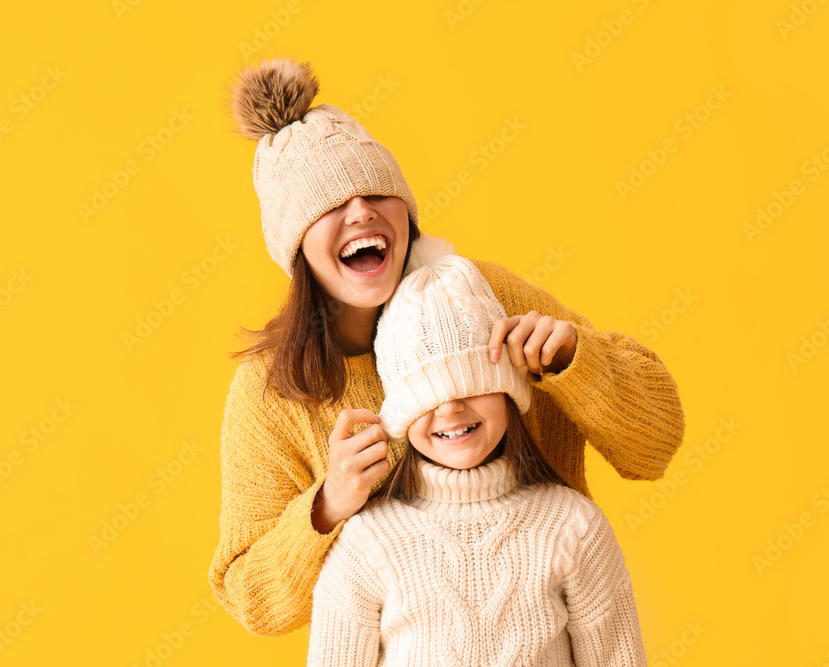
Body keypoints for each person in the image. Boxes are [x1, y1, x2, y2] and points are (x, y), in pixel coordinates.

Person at [209, 56, 685, 637]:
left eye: (377, 192)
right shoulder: (270, 395)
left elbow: (656, 446)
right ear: (295, 245)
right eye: (330, 203)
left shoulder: (484, 297)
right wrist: (328, 503)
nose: (360, 210)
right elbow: (253, 603)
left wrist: (578, 362)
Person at [307, 253, 647, 666]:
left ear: (506, 391)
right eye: (427, 397)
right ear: (401, 415)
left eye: (472, 385)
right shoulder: (367, 544)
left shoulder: (573, 528)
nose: (449, 409)